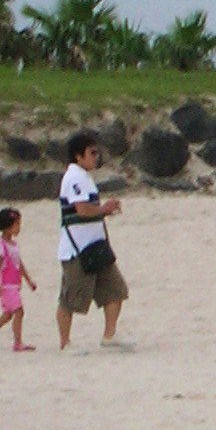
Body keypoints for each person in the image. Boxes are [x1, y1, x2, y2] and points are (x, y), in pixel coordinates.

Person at [57, 130, 127, 349]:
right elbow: (82, 210)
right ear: (78, 156)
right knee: (71, 299)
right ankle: (65, 342)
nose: (96, 157)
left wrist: (105, 211)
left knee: (116, 290)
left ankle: (109, 336)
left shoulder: (84, 177)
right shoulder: (74, 177)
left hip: (96, 245)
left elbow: (90, 210)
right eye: (92, 153)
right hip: (77, 249)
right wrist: (103, 208)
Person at [0, 207, 37, 351]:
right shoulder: (2, 246)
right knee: (19, 311)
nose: (19, 228)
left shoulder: (13, 245)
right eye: (16, 225)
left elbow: (19, 264)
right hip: (7, 285)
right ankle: (17, 342)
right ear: (7, 227)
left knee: (7, 315)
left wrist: (29, 280)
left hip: (14, 284)